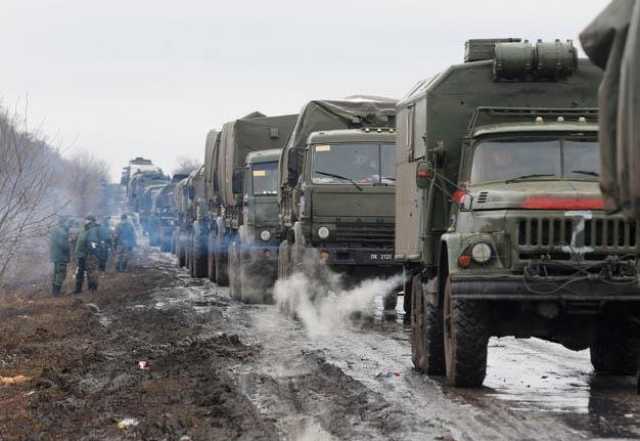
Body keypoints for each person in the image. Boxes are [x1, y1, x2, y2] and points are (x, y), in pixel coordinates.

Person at [74, 215, 100, 293]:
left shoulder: (93, 229)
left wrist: (92, 252)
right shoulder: (84, 229)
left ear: (91, 221)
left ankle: (92, 289)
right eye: (86, 219)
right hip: (81, 254)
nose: (86, 221)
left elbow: (93, 242)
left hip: (89, 254)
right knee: (80, 272)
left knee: (91, 271)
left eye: (87, 220)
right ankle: (78, 289)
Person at [49, 217, 70, 296]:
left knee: (56, 273)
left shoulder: (54, 230)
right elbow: (63, 245)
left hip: (55, 256)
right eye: (67, 222)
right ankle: (56, 293)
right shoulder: (62, 232)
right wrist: (69, 244)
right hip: (61, 256)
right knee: (61, 274)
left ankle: (54, 292)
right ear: (64, 222)